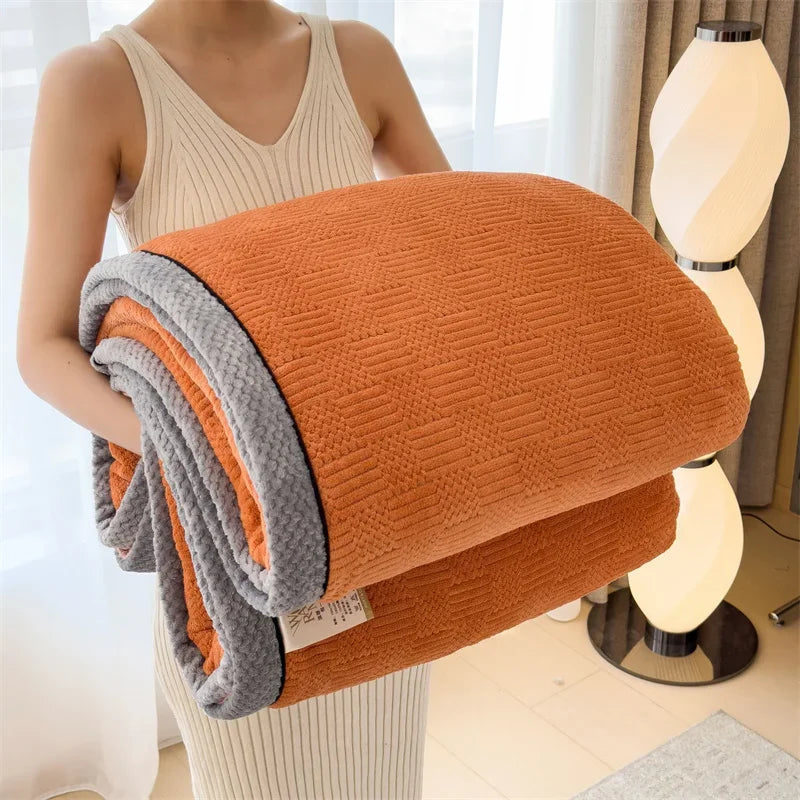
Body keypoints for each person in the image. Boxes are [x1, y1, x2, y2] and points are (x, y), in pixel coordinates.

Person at [15, 1, 451, 797]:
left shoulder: (358, 57)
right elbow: (43, 348)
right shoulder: (98, 84)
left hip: (372, 528)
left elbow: (458, 257)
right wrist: (204, 453)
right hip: (228, 558)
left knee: (385, 778)